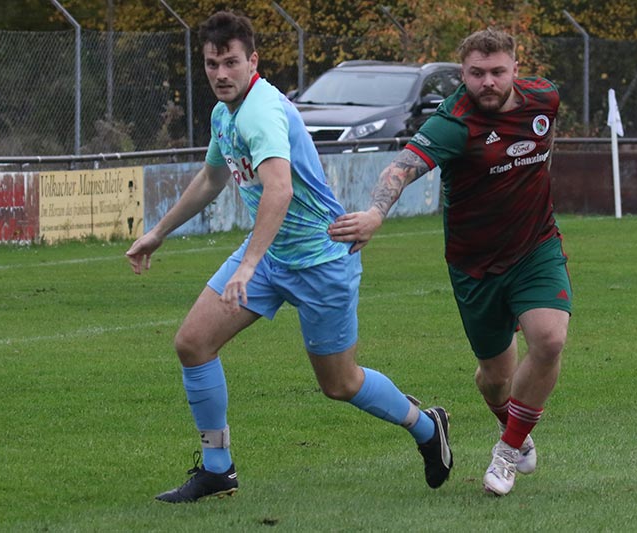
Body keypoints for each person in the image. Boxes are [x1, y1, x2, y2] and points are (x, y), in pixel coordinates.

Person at [126, 10, 453, 503]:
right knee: (193, 344)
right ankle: (217, 470)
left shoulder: (260, 111)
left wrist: (248, 265)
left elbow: (279, 190)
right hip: (270, 254)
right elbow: (212, 178)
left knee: (340, 384)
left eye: (231, 62)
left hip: (322, 260)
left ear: (252, 61)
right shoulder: (224, 114)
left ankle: (427, 427)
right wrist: (158, 233)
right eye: (212, 63)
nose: (220, 73)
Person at [328, 27, 572, 497]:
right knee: (495, 380)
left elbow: (544, 144)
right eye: (476, 73)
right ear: (463, 72)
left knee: (550, 339)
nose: (487, 82)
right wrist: (376, 213)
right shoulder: (454, 122)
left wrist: (538, 184)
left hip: (535, 247)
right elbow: (401, 167)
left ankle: (508, 448)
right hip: (474, 266)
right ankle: (512, 425)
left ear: (516, 68)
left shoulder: (545, 98)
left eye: (497, 72)